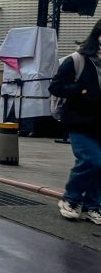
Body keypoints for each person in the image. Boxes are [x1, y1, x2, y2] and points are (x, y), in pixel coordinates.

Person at [49, 23, 101, 225]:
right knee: (92, 160)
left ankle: (92, 206)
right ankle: (70, 199)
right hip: (80, 122)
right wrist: (80, 90)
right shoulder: (78, 60)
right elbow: (55, 86)